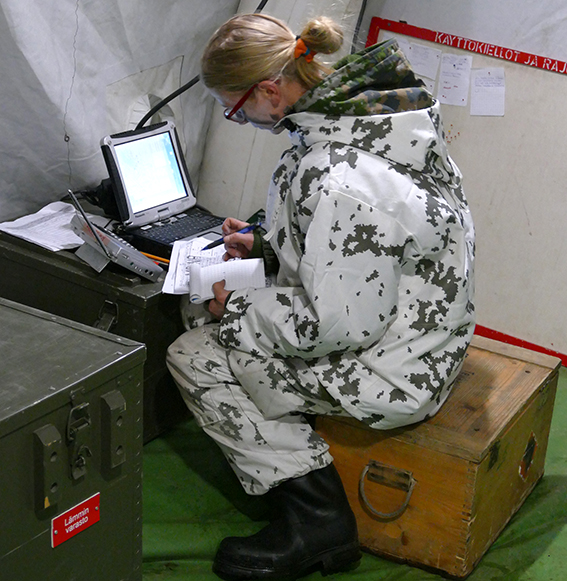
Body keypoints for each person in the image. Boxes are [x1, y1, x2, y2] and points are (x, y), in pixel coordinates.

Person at [167, 12, 475, 581]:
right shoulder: (374, 116)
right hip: (425, 331)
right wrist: (266, 242)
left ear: (267, 90)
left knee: (194, 354)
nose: (244, 121)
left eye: (237, 110)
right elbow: (368, 243)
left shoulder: (336, 175)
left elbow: (339, 324)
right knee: (207, 307)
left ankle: (317, 520)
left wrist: (234, 309)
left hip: (396, 369)